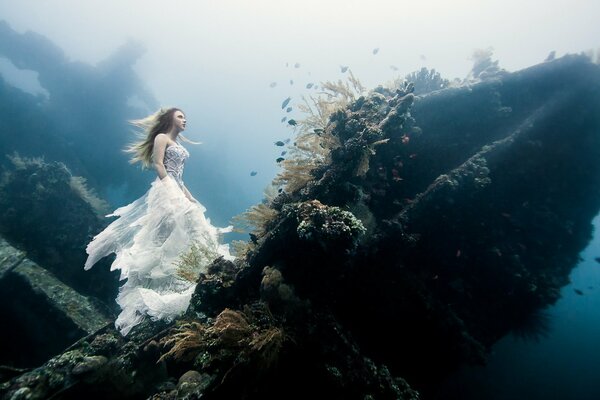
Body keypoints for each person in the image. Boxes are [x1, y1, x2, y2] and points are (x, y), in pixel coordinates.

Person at [84, 107, 232, 336]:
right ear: (169, 118)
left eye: (185, 116)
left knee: (189, 231)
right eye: (181, 116)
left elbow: (178, 174)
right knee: (163, 238)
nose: (185, 120)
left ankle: (194, 275)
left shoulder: (178, 144)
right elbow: (159, 165)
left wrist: (187, 195)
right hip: (164, 192)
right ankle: (149, 294)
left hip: (177, 189)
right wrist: (171, 191)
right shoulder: (161, 137)